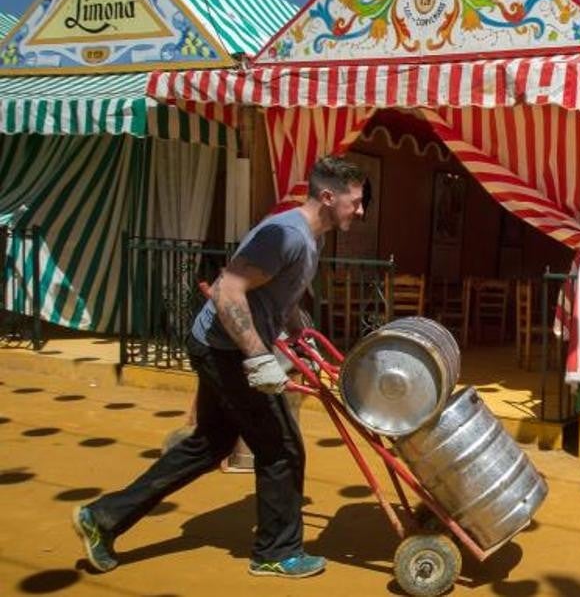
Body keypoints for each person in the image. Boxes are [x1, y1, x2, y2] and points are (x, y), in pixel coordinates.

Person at [72, 155, 368, 579]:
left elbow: (278, 295)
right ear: (327, 196)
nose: (360, 210)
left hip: (222, 345)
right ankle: (276, 552)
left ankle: (101, 518)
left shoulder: (312, 237)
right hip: (224, 349)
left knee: (209, 445)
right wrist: (260, 357)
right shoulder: (284, 235)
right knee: (281, 448)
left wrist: (299, 332)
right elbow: (229, 292)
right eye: (354, 201)